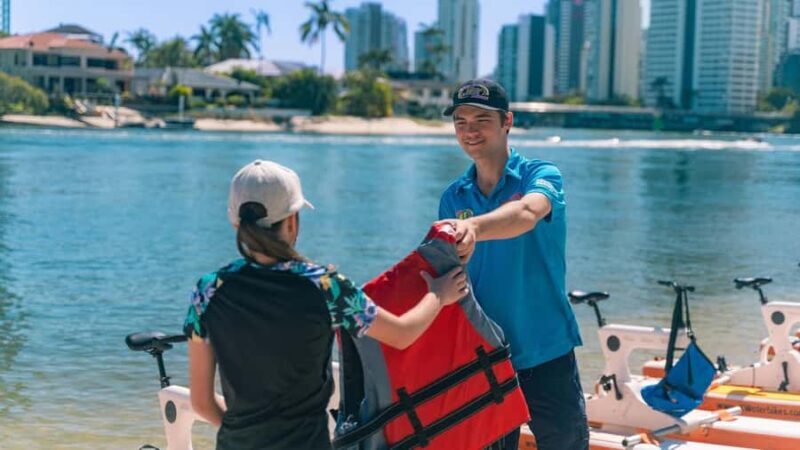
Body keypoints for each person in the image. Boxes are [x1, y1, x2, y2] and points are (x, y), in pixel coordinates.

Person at [183, 160, 468, 450]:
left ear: (236, 222)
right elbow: (402, 333)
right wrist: (439, 295)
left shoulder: (207, 291)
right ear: (292, 221)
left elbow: (202, 403)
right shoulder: (325, 286)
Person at [437, 79, 589, 450]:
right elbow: (448, 277)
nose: (469, 131)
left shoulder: (542, 175)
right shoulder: (452, 197)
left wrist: (472, 226)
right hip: (485, 357)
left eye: (481, 120)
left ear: (507, 121)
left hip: (545, 348)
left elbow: (525, 213)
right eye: (461, 121)